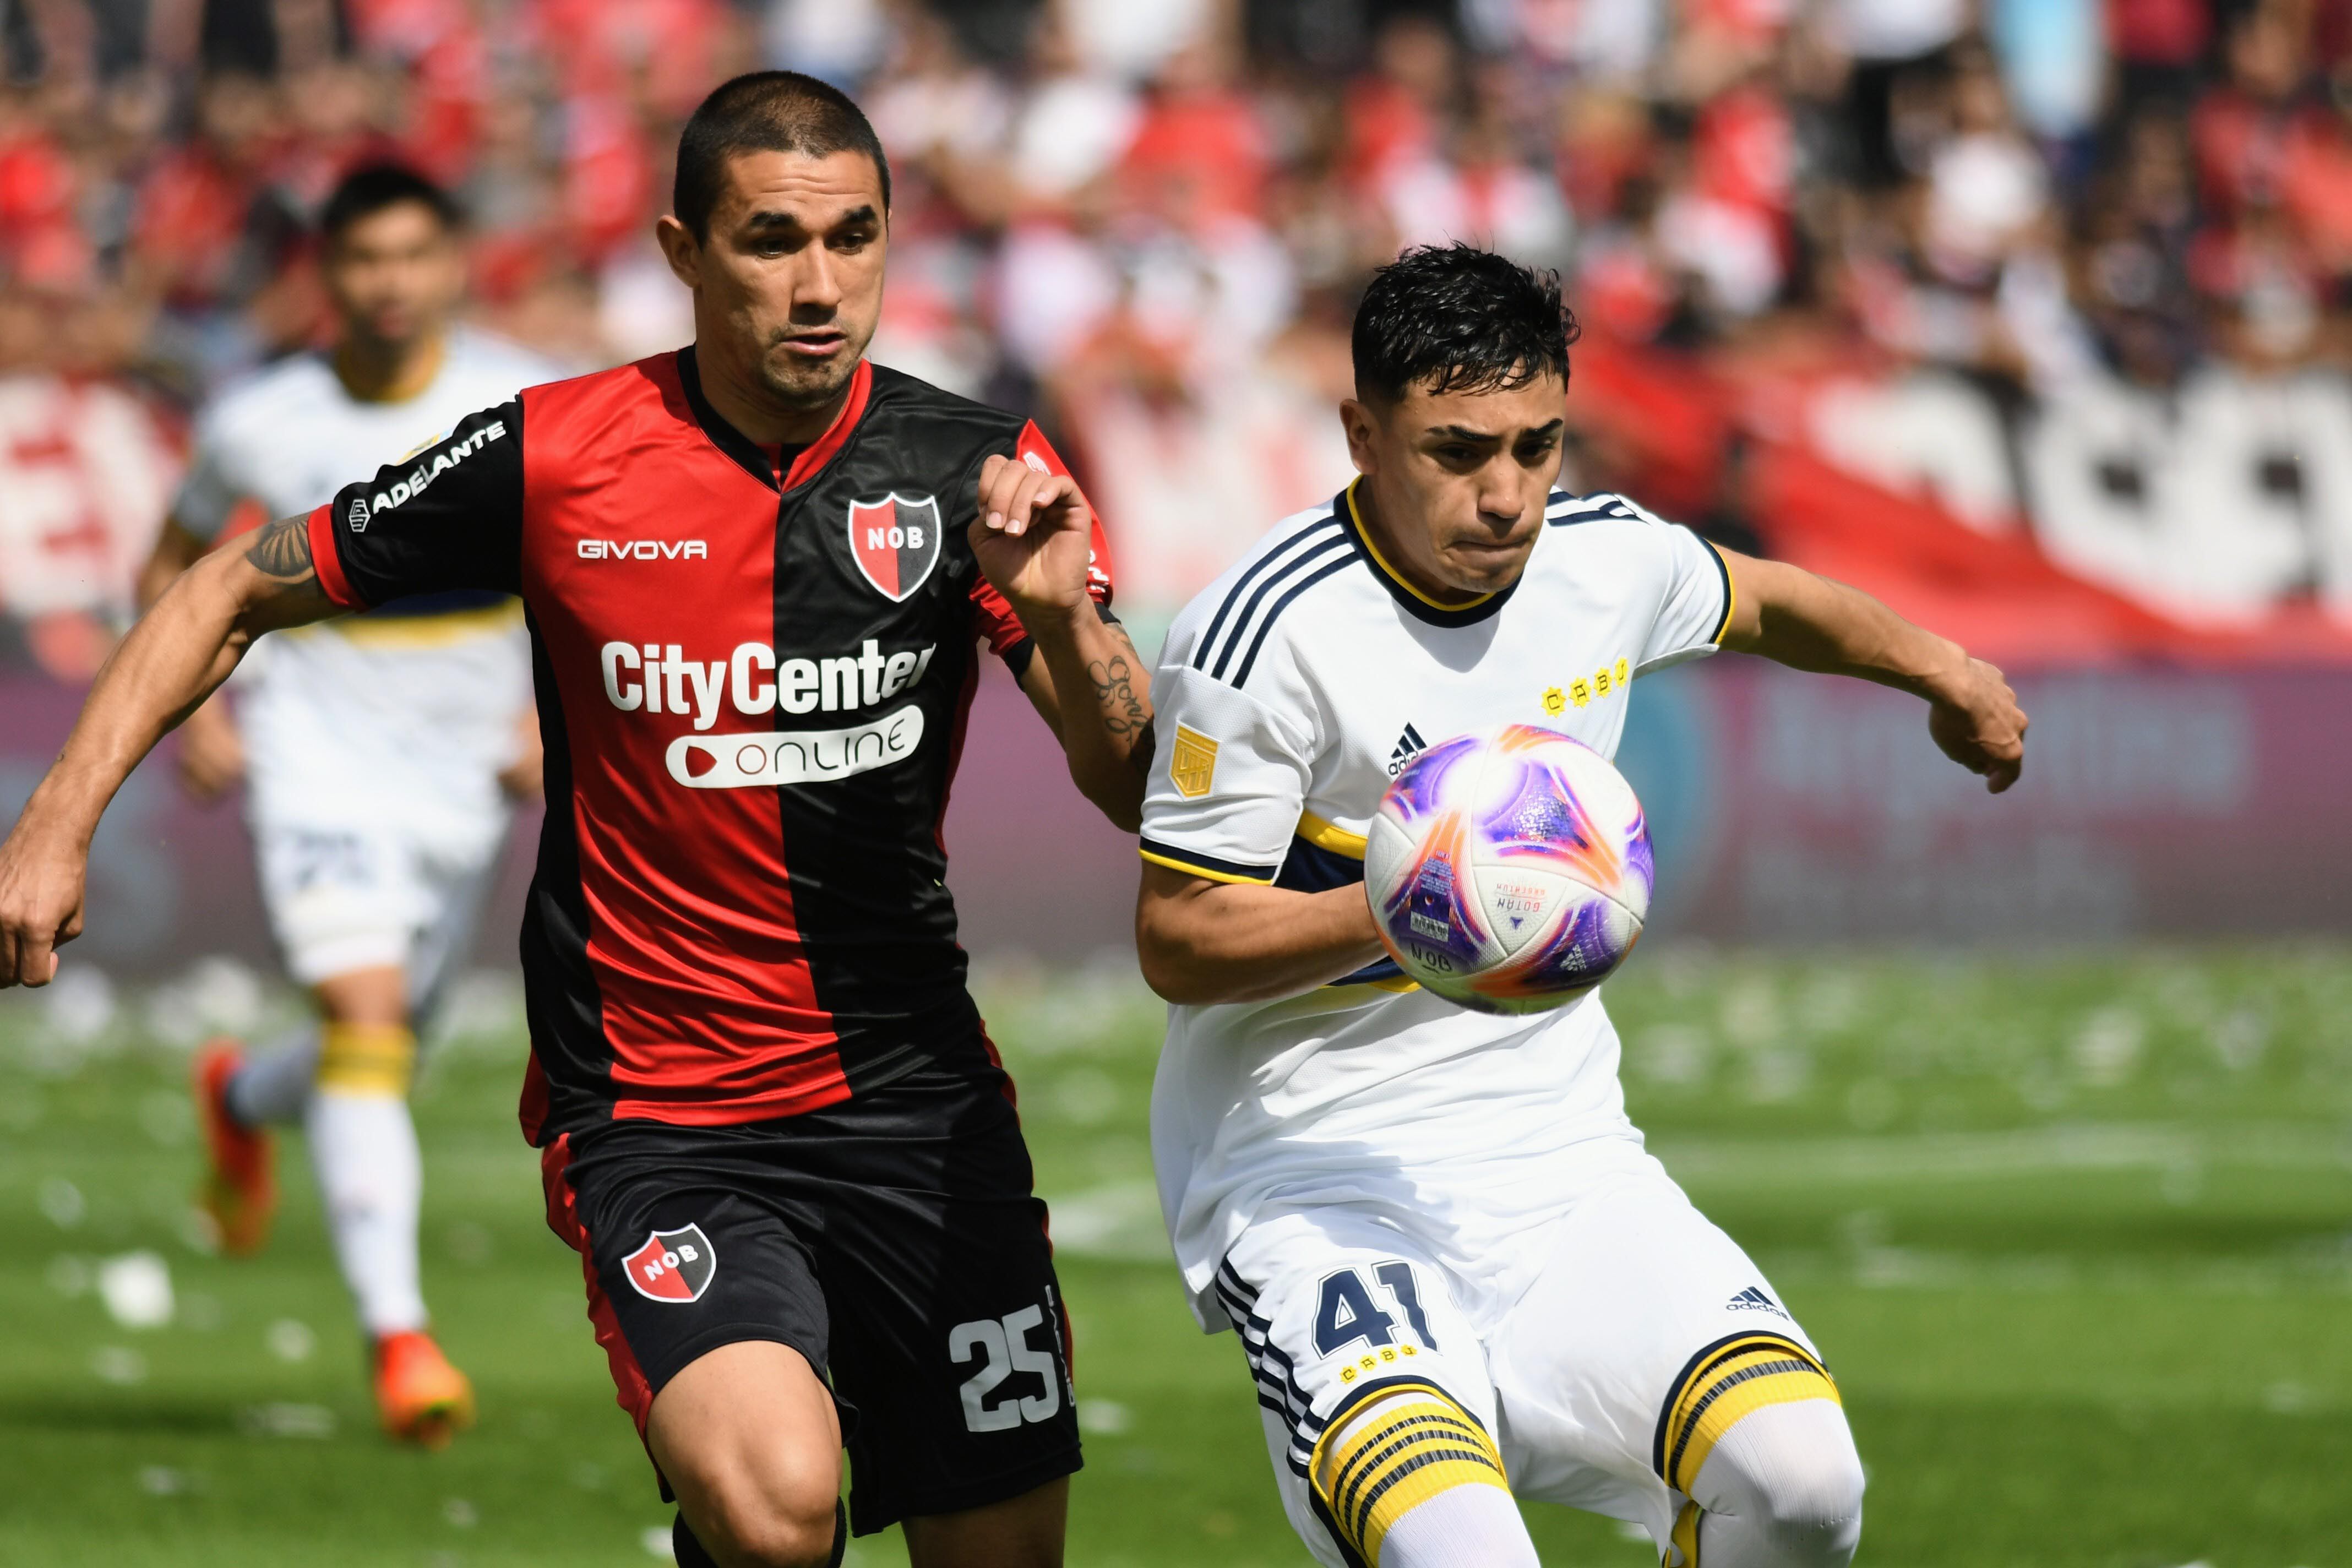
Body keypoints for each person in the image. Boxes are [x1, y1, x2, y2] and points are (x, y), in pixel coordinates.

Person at [0, 72, 1154, 1568]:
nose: (820, 287)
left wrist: (1066, 627)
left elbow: (1130, 780)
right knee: (778, 1510)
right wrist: (54, 822)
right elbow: (231, 584)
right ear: (682, 253)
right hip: (665, 1116)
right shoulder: (559, 454)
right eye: (771, 242)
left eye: (853, 239)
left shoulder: (976, 470)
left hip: (918, 1104)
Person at [1132, 244, 2028, 1568]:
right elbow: (1180, 938)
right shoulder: (1264, 630)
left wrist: (1946, 672)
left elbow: (1768, 600)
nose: (1505, 496)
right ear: (1363, 432)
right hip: (1318, 1183)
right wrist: (1419, 911)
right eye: (1457, 450)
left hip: (1559, 1167)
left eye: (1537, 445)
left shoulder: (1604, 558)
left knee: (1801, 1484)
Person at [148, 162, 554, 1446]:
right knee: (366, 1018)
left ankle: (240, 1095)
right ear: (326, 274)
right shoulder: (262, 418)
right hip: (318, 744)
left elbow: (590, 563)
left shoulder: (520, 400)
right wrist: (199, 708)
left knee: (379, 1050)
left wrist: (555, 712)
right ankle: (401, 1338)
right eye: (362, 259)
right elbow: (174, 557)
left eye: (410, 257)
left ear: (450, 266)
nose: (388, 283)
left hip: (464, 767)